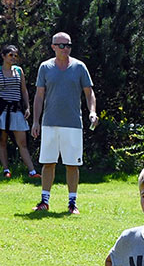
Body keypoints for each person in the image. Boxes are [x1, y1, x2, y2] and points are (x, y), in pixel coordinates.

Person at [30, 32, 97, 215]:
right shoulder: (45, 68)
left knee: (72, 165)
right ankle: (44, 201)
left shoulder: (79, 67)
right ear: (53, 47)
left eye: (68, 45)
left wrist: (92, 111)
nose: (65, 49)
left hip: (73, 124)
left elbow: (89, 93)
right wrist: (35, 121)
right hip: (49, 123)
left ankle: (72, 203)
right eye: (62, 45)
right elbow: (39, 96)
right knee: (48, 162)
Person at [0, 44, 37, 180]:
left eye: (15, 56)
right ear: (3, 56)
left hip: (16, 109)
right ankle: (5, 169)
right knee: (2, 140)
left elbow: (24, 90)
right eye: (10, 55)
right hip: (1, 110)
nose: (13, 58)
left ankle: (32, 171)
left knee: (23, 142)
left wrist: (27, 107)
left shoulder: (19, 71)